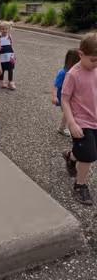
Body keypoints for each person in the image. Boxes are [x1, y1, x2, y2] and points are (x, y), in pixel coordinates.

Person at [61, 32, 97, 205]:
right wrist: (72, 123)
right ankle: (80, 185)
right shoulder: (73, 75)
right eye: (94, 60)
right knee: (89, 156)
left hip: (96, 118)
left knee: (87, 151)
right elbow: (65, 99)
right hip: (82, 121)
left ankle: (70, 156)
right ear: (81, 54)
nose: (96, 64)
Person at [52, 49, 80, 136]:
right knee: (69, 112)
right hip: (64, 98)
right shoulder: (64, 73)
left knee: (68, 112)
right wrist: (54, 96)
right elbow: (56, 85)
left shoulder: (72, 72)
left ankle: (63, 126)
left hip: (70, 96)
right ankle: (63, 127)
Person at [0, 21, 16, 90]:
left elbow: (11, 45)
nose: (4, 30)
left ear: (9, 29)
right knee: (2, 69)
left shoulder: (9, 37)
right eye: (3, 29)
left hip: (10, 56)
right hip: (2, 56)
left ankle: (10, 81)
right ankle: (1, 81)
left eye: (6, 29)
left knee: (10, 69)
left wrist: (14, 55)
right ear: (0, 29)